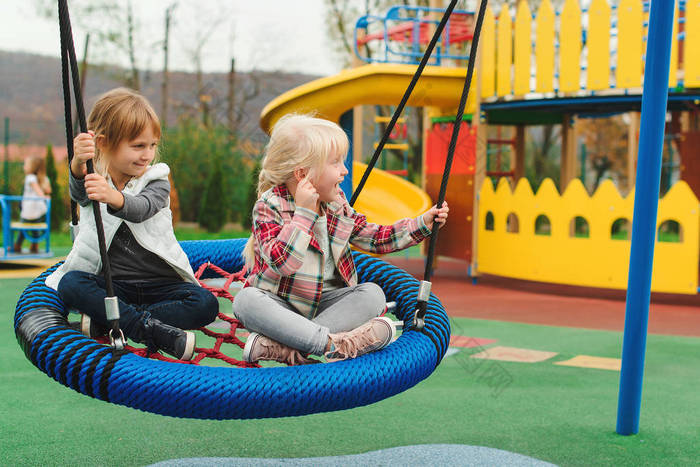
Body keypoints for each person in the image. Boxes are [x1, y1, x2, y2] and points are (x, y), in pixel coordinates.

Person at [234, 114, 449, 365]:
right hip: (281, 306)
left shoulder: (337, 204)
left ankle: (290, 349)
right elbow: (284, 263)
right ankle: (336, 344)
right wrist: (303, 214)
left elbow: (375, 238)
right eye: (335, 163)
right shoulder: (269, 206)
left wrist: (422, 224)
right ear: (303, 174)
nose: (344, 170)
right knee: (246, 301)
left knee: (373, 294)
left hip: (329, 306)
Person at [45, 88, 219, 360]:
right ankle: (149, 328)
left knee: (205, 304)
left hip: (161, 285)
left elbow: (142, 209)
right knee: (71, 283)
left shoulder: (157, 179)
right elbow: (79, 194)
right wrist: (79, 161)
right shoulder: (95, 175)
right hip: (116, 286)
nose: (147, 154)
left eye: (152, 145)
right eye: (138, 146)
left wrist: (113, 196)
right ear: (102, 143)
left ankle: (110, 322)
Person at [14, 155, 52, 254]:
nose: (24, 167)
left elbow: (39, 190)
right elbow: (47, 190)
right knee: (35, 226)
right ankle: (34, 245)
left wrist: (43, 195)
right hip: (37, 209)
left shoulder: (30, 177)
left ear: (33, 167)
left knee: (24, 226)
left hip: (30, 208)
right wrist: (44, 195)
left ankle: (18, 245)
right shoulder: (37, 178)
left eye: (26, 165)